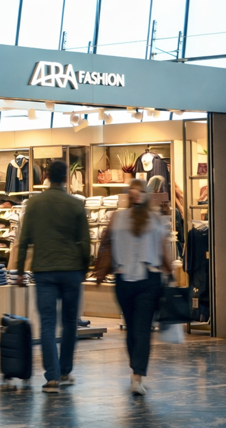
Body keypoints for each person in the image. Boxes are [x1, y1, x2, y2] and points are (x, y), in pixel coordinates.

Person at [13, 160, 91, 393]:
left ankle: (52, 377)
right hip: (71, 271)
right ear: (66, 178)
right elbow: (85, 242)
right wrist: (84, 268)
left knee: (47, 324)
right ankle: (66, 370)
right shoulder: (75, 204)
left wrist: (18, 272)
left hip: (44, 271)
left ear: (46, 176)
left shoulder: (35, 203)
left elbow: (23, 240)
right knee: (69, 323)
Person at [94, 178, 172, 396]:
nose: (136, 195)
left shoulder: (155, 219)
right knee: (132, 329)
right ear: (129, 195)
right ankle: (135, 368)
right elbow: (105, 242)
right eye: (133, 191)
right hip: (123, 280)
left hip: (149, 280)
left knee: (142, 329)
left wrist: (170, 273)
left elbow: (163, 250)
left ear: (145, 194)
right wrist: (101, 268)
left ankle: (137, 376)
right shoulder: (117, 218)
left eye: (140, 191)